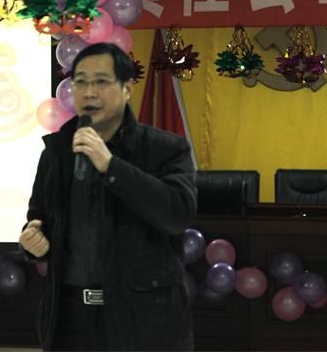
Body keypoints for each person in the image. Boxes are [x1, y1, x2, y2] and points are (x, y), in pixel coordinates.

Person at [19, 42, 197, 351]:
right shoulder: (57, 151)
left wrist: (111, 166)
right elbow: (39, 217)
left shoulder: (164, 149)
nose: (89, 92)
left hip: (142, 317)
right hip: (70, 318)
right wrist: (34, 241)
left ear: (127, 88)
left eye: (101, 81)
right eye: (81, 82)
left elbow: (177, 214)